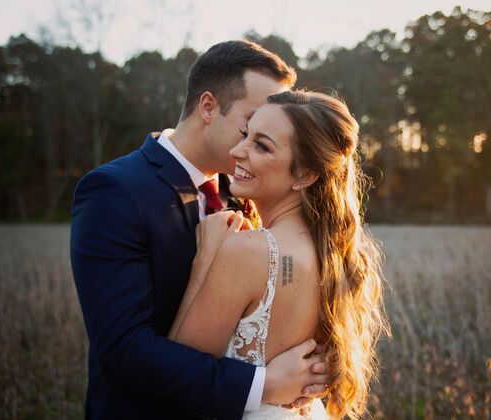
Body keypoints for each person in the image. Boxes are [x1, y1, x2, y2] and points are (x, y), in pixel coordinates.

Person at [70, 41, 329, 420]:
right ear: (208, 107)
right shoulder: (115, 191)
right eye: (250, 125)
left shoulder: (247, 188)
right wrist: (263, 385)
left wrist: (315, 366)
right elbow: (123, 350)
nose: (254, 140)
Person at [167, 90, 390, 419]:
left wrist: (203, 263)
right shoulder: (333, 254)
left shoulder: (247, 252)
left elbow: (174, 380)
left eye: (261, 146)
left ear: (304, 175)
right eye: (246, 134)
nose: (237, 151)